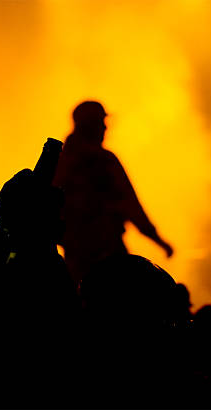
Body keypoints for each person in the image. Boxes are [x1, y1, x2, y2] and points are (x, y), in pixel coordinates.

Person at [54, 101, 173, 284]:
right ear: (90, 125)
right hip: (108, 250)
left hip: (74, 255)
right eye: (101, 122)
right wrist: (158, 240)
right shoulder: (104, 161)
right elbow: (131, 205)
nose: (105, 127)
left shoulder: (59, 162)